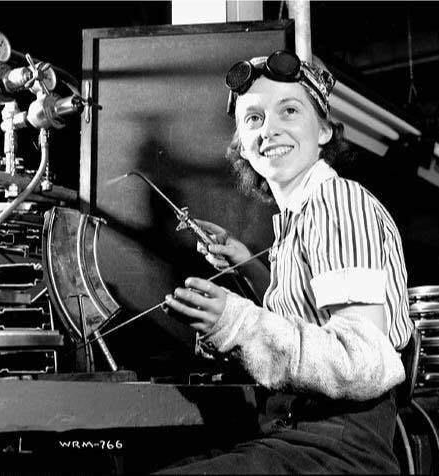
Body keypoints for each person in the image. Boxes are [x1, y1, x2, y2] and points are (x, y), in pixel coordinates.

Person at [161, 50, 414, 474]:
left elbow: (362, 363)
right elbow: (312, 319)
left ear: (325, 132)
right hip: (299, 433)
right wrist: (248, 265)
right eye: (253, 119)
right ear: (242, 143)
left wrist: (237, 324)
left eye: (289, 111)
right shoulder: (303, 217)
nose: (269, 130)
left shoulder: (338, 202)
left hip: (341, 451)